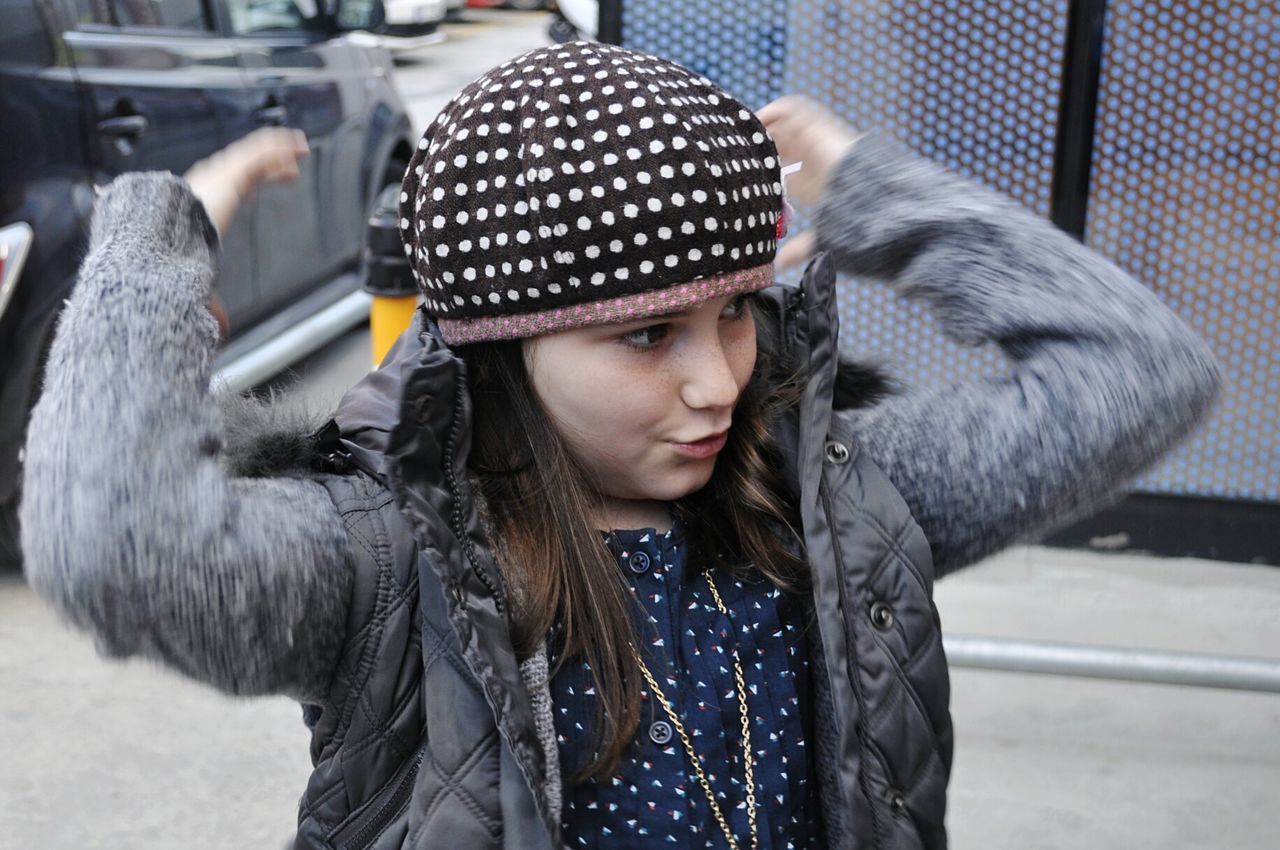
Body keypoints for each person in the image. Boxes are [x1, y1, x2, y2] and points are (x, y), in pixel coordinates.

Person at [21, 42, 1218, 850]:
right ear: (502, 349)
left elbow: (1135, 371)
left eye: (735, 310)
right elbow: (116, 547)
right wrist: (154, 248)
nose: (716, 381)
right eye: (645, 333)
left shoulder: (829, 504)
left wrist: (879, 195)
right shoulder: (385, 564)